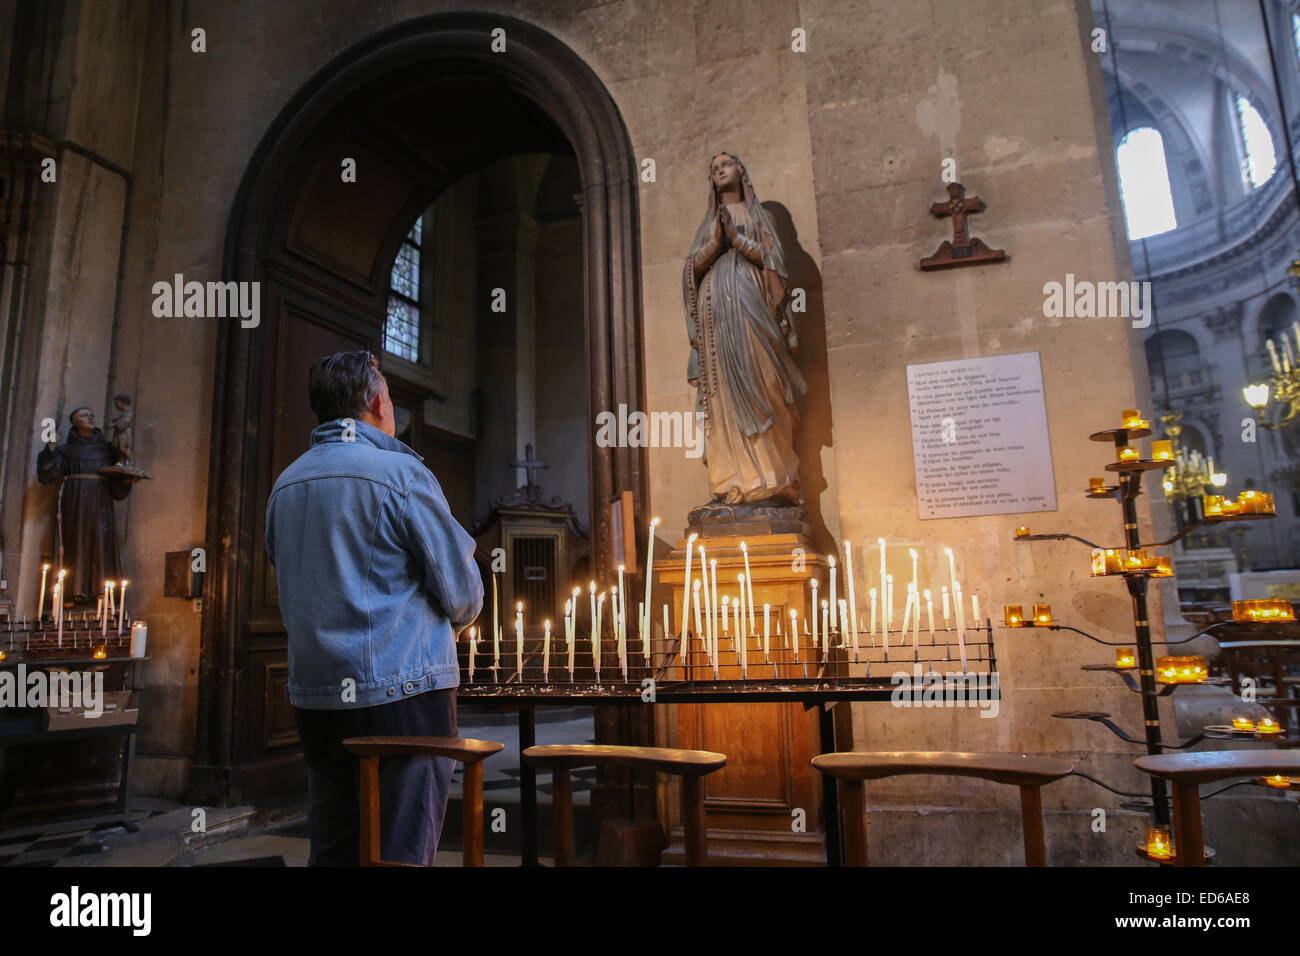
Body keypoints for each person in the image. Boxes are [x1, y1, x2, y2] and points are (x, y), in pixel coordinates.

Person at [265, 350, 483, 865]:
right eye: (387, 392)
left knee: (337, 847)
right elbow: (462, 593)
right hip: (402, 694)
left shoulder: (286, 484)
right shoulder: (398, 473)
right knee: (401, 846)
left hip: (317, 696)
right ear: (378, 402)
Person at [682, 152, 808, 505]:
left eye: (726, 163)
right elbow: (690, 271)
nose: (719, 169)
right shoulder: (708, 223)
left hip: (754, 309)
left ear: (741, 170)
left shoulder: (759, 216)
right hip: (715, 319)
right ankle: (731, 482)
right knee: (722, 395)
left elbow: (777, 265)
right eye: (713, 168)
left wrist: (738, 241)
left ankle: (772, 480)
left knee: (765, 383)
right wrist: (714, 244)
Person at [37, 406, 134, 604]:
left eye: (92, 414)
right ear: (74, 421)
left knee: (101, 541)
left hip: (100, 500)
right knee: (75, 541)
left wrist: (126, 472)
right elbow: (47, 475)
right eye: (83, 415)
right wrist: (50, 448)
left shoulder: (107, 449)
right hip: (74, 501)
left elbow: (120, 472)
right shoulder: (65, 450)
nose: (90, 417)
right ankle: (73, 590)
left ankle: (101, 590)